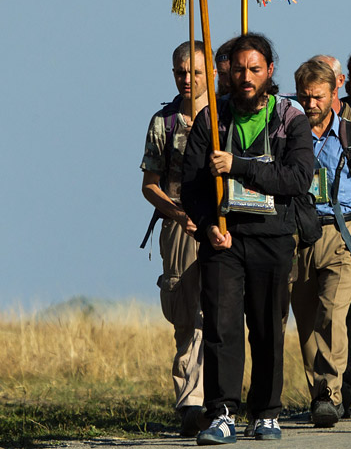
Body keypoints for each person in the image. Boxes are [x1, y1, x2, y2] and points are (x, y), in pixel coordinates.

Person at [181, 33, 313, 443]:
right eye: (239, 69)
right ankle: (221, 412)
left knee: (268, 327)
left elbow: (297, 178)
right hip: (224, 237)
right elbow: (190, 185)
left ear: (270, 72)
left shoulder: (291, 118)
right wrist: (207, 226)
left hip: (273, 235)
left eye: (255, 69)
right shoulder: (212, 120)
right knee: (221, 326)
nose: (246, 76)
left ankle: (266, 412)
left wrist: (238, 166)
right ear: (228, 72)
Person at [290, 59, 351, 427]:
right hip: (297, 234)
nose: (310, 104)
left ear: (334, 94)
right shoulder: (288, 135)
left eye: (317, 97)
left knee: (333, 313)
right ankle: (319, 396)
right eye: (304, 97)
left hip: (339, 234)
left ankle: (330, 392)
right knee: (307, 319)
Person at [139, 41, 209, 437]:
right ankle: (190, 401)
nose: (188, 79)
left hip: (224, 222)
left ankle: (221, 398)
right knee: (186, 311)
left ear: (209, 74)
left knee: (220, 311)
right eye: (181, 73)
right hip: (179, 224)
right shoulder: (162, 123)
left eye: (195, 72)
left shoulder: (224, 115)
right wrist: (178, 213)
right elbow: (149, 185)